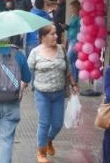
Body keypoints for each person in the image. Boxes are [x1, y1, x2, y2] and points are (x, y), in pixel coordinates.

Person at [28, 24, 79, 163]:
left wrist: (74, 84)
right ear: (43, 37)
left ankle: (48, 140)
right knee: (44, 122)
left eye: (56, 33)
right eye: (52, 34)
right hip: (42, 94)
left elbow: (68, 70)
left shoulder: (62, 49)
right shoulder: (35, 52)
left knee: (57, 124)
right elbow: (27, 73)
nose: (56, 36)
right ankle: (41, 152)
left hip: (59, 94)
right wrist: (20, 89)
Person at [60, 0, 81, 83]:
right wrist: (65, 27)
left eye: (72, 8)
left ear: (76, 8)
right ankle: (74, 78)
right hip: (70, 38)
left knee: (69, 59)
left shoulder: (79, 17)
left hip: (75, 39)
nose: (71, 10)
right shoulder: (74, 17)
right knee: (73, 60)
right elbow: (71, 28)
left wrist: (77, 41)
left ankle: (73, 78)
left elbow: (79, 29)